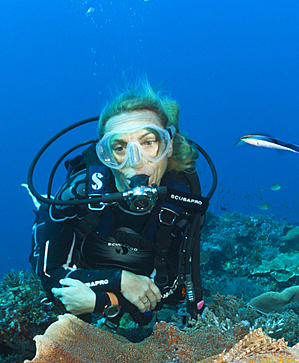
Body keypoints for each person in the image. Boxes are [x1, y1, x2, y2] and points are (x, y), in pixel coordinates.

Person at [30, 82, 207, 326]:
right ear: (106, 155)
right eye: (120, 147)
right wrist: (120, 281)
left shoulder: (183, 200)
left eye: (149, 142)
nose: (136, 162)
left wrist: (103, 302)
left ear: (168, 146)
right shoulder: (77, 193)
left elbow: (177, 290)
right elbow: (51, 275)